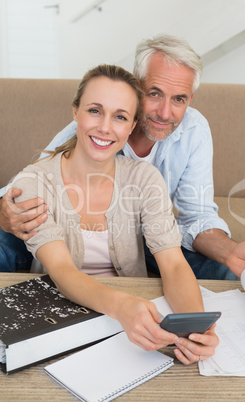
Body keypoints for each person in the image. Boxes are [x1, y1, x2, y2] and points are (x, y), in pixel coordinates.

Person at [0, 35, 245, 277]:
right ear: (135, 90)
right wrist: (5, 210)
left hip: (152, 237)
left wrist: (229, 251)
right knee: (10, 233)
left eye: (179, 99)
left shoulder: (194, 130)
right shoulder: (97, 129)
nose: (165, 112)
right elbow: (28, 187)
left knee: (227, 268)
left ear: (190, 99)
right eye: (154, 93)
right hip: (73, 233)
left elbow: (196, 215)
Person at [10, 64, 219, 364]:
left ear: (132, 126)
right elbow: (63, 271)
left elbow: (172, 264)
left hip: (129, 326)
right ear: (75, 113)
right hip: (57, 322)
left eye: (120, 117)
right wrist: (122, 308)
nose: (105, 127)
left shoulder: (145, 180)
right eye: (95, 111)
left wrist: (195, 327)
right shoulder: (34, 183)